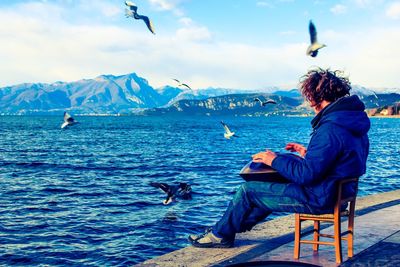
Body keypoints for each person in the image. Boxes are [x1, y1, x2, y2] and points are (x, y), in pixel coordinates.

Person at [188, 67, 370, 248]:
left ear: (316, 97)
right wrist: (306, 153)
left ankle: (220, 235)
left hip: (320, 199)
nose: (309, 103)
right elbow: (342, 161)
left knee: (248, 190)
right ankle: (224, 229)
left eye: (309, 98)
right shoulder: (352, 125)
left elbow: (306, 175)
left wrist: (272, 159)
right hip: (338, 195)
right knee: (267, 187)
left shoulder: (330, 129)